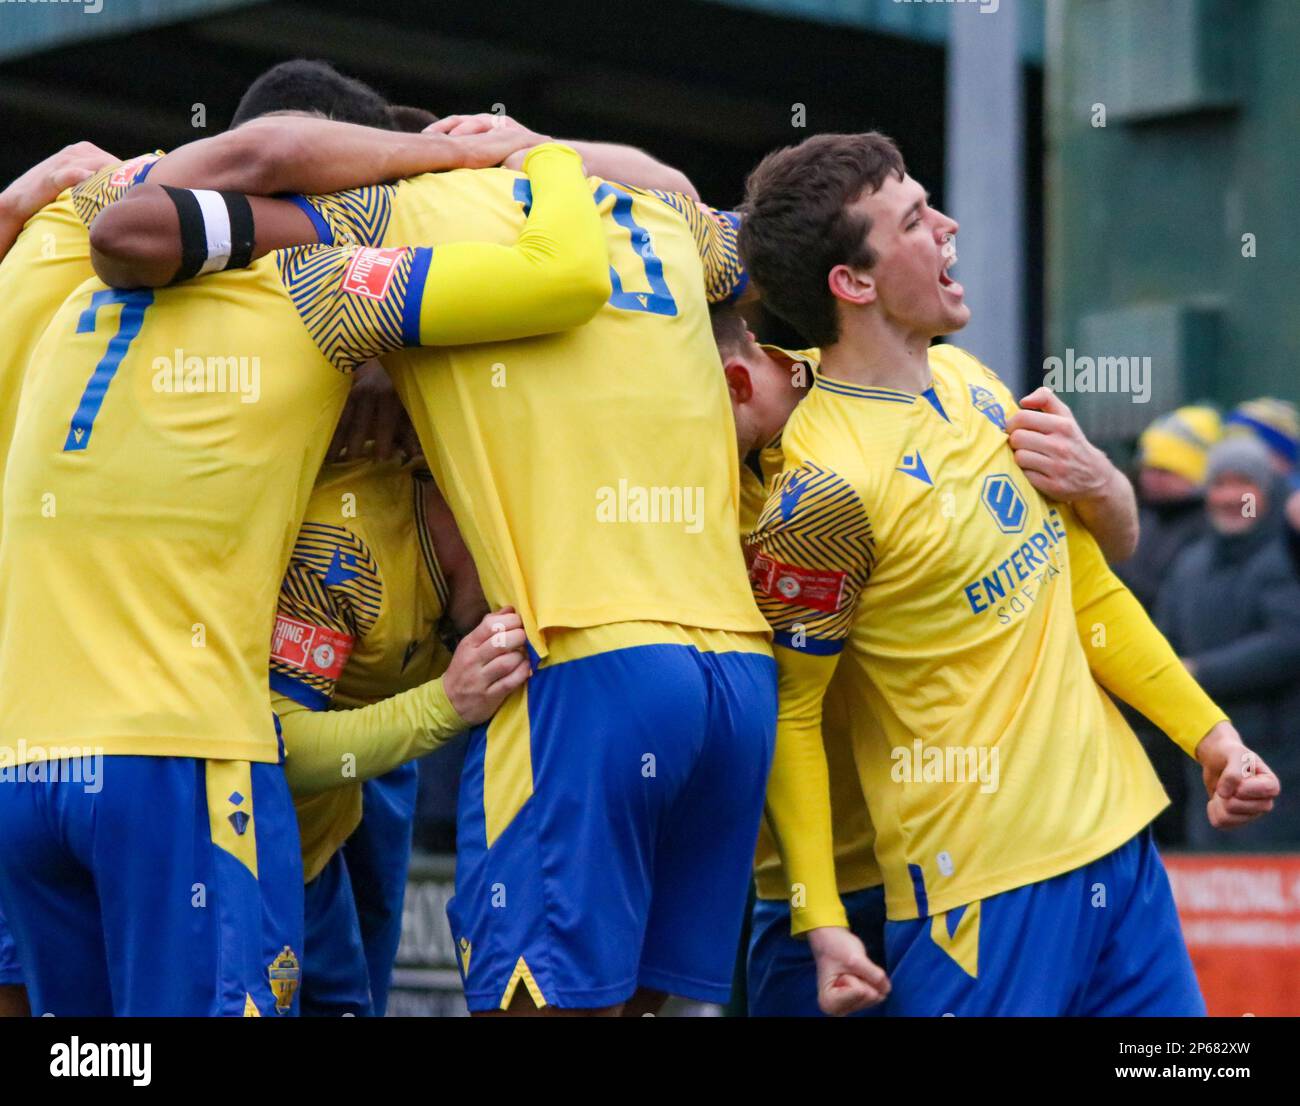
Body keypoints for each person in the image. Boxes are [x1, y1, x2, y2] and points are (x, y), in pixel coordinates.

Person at [94, 112, 775, 1017]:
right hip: (725, 677)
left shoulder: (413, 222)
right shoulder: (346, 543)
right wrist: (527, 150)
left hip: (547, 692)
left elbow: (170, 215)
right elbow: (697, 199)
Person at [0, 136, 608, 1016]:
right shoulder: (321, 292)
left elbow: (136, 186)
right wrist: (543, 154)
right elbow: (566, 276)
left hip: (26, 770)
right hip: (177, 763)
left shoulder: (72, 282)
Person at [738, 131, 1279, 1016]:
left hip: (1121, 848)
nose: (948, 225)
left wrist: (1211, 740)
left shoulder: (974, 383)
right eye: (914, 219)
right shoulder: (823, 486)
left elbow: (1088, 591)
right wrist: (821, 918)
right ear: (854, 283)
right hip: (980, 891)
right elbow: (790, 713)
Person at [1156, 437, 1300, 850]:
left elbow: (1289, 643)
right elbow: (1161, 640)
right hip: (1205, 767)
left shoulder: (1286, 560)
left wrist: (1199, 672)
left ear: (1267, 492)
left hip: (1281, 768)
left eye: (1244, 484)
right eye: (1219, 483)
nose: (1231, 496)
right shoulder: (1189, 565)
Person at [1115, 405, 1222, 612]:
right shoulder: (1142, 513)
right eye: (1148, 469)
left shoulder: (1210, 527)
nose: (1152, 479)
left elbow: (1175, 597)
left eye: (1165, 471)